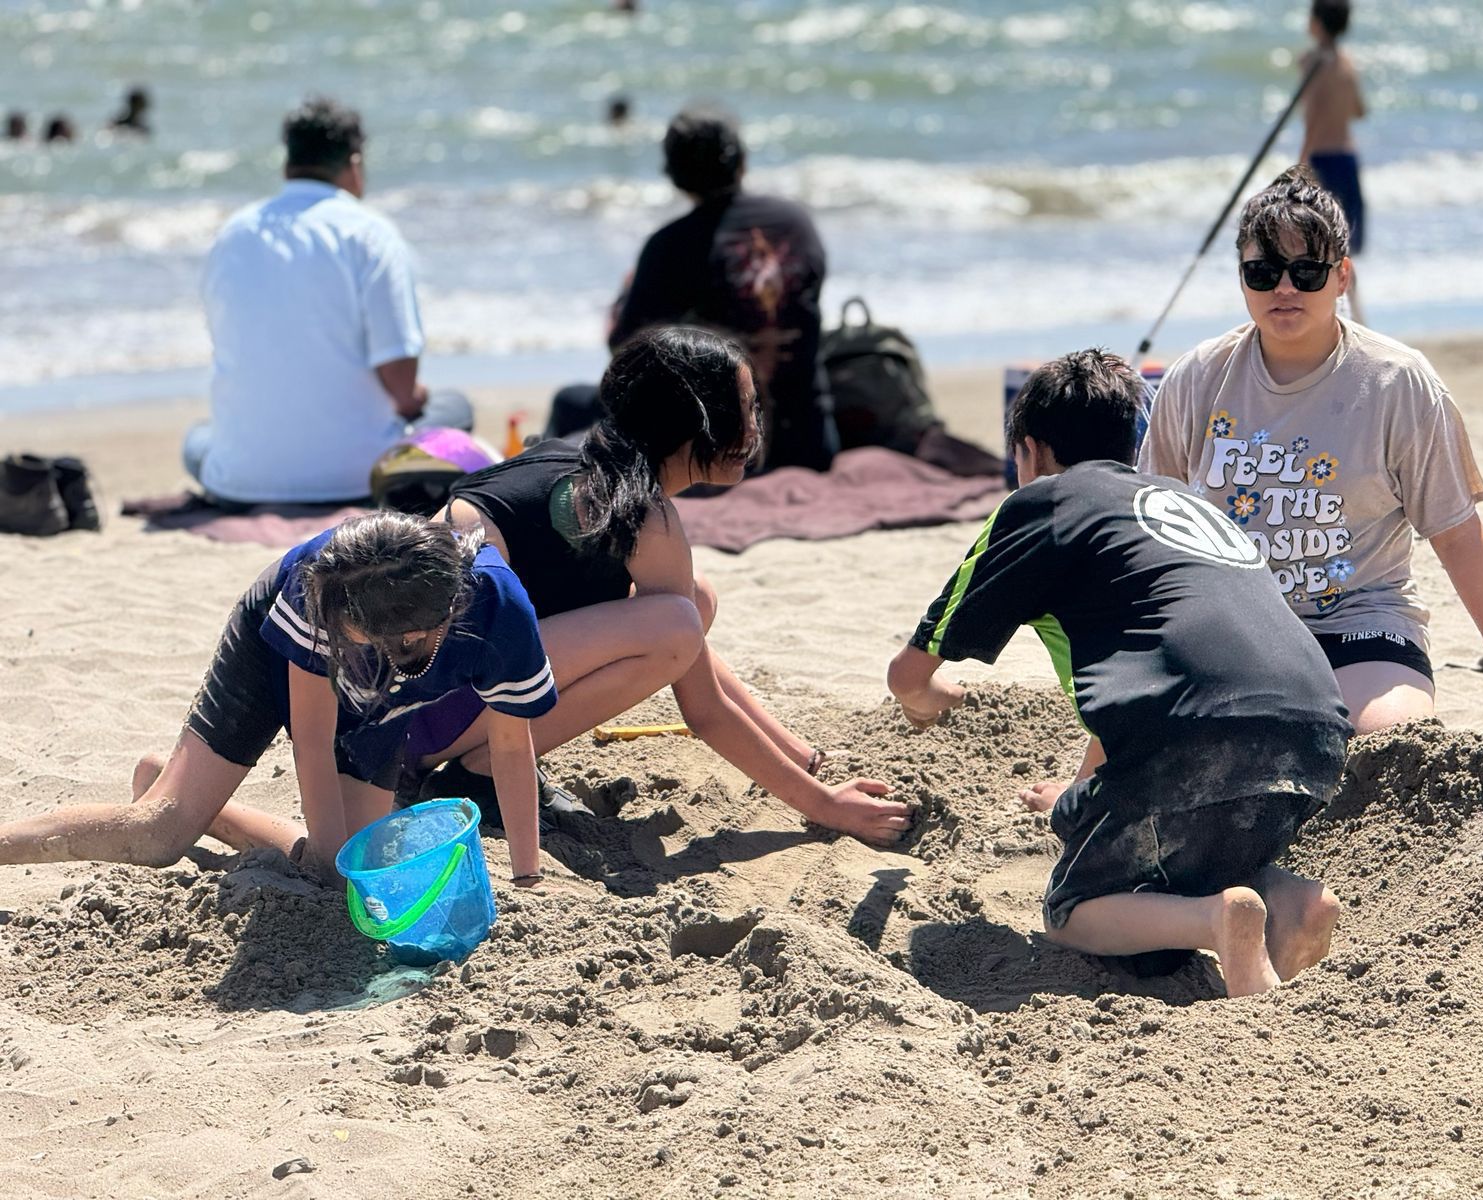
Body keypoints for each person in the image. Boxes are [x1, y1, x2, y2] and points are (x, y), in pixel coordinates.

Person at [887, 350, 1353, 998]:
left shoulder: (1044, 504)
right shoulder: (1187, 506)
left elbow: (909, 672)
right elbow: (1152, 677)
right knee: (1197, 847)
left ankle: (1215, 921)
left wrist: (926, 699)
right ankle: (1292, 900)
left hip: (1194, 730)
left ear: (1028, 451)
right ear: (1131, 443)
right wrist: (1078, 801)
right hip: (1316, 727)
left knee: (1071, 911)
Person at [1138, 167, 1483, 753]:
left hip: (1362, 622)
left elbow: (1458, 535)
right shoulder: (1196, 378)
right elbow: (1148, 537)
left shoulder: (1398, 383)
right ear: (1241, 278)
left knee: (1378, 746)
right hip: (1236, 627)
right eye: (1263, 273)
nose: (1284, 289)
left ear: (1342, 276)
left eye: (1307, 271)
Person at [430, 326, 911, 846]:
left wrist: (802, 758)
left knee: (690, 600)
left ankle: (483, 765)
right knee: (673, 623)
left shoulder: (586, 465)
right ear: (693, 421)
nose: (754, 430)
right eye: (745, 411)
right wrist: (825, 806)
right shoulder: (642, 513)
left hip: (417, 700)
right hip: (416, 720)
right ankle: (481, 772)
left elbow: (692, 654)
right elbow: (703, 707)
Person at [0, 512, 559, 889]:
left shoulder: (499, 613)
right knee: (158, 836)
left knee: (348, 862)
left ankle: (200, 800)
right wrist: (332, 869)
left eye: (351, 637)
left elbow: (511, 748)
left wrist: (527, 875)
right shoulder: (324, 586)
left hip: (383, 695)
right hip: (272, 654)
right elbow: (311, 740)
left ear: (411, 637)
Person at [186, 96, 472, 505]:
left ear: (287, 164)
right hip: (358, 480)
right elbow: (401, 385)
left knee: (196, 441)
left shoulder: (233, 234)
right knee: (455, 409)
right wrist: (415, 398)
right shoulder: (370, 234)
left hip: (239, 482)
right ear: (354, 165)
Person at [601, 106, 836, 471]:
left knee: (573, 403)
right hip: (811, 441)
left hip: (727, 457)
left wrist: (623, 299)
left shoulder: (671, 247)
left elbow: (624, 354)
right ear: (741, 160)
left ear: (675, 176)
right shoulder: (796, 223)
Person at [1299, 0, 1367, 324]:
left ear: (1317, 23)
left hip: (1323, 157)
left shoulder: (1312, 61)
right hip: (1348, 157)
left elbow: (1311, 116)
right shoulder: (1347, 63)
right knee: (1344, 245)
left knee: (1321, 243)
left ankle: (1337, 319)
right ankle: (1356, 316)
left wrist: (1301, 161)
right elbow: (1359, 110)